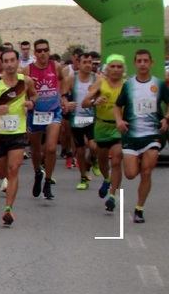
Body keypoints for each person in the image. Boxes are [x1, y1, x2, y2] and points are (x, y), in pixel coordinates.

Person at [114, 49, 169, 223]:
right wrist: (119, 121)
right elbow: (117, 106)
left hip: (153, 134)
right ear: (135, 64)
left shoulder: (158, 84)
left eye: (146, 61)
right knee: (130, 174)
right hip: (131, 135)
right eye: (139, 61)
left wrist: (166, 119)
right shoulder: (129, 85)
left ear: (151, 63)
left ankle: (139, 208)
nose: (143, 64)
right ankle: (137, 159)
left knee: (147, 172)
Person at [0, 49, 36, 224]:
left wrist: (31, 103)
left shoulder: (25, 82)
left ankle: (8, 208)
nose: (9, 64)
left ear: (17, 62)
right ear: (1, 63)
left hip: (18, 131)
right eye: (6, 61)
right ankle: (5, 186)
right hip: (0, 133)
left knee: (13, 170)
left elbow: (34, 95)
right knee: (3, 172)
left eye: (12, 60)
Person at [82, 54, 126, 212]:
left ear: (123, 69)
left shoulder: (126, 86)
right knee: (102, 162)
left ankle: (112, 196)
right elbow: (84, 102)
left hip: (118, 128)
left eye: (119, 66)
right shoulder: (101, 82)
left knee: (116, 160)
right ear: (107, 69)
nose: (115, 70)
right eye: (112, 66)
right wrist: (95, 101)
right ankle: (107, 179)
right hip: (101, 127)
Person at [22, 39, 62, 200]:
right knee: (36, 150)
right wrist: (27, 103)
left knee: (51, 148)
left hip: (54, 112)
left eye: (45, 50)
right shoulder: (28, 70)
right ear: (35, 53)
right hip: (35, 114)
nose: (42, 53)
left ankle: (47, 181)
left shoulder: (56, 66)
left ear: (49, 51)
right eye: (39, 51)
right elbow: (22, 89)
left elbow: (64, 80)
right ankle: (38, 172)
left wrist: (63, 96)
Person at [62, 53, 97, 190]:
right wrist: (67, 103)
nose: (88, 65)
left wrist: (97, 101)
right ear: (79, 63)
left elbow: (103, 94)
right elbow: (63, 95)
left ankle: (91, 161)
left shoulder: (97, 78)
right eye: (85, 62)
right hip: (76, 119)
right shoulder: (72, 79)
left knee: (94, 146)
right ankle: (83, 177)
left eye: (90, 62)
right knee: (80, 150)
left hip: (92, 118)